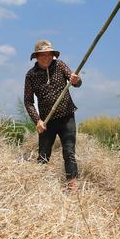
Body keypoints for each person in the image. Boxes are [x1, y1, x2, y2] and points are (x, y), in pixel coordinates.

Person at [24, 40, 82, 191]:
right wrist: (37, 121)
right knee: (43, 155)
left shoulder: (60, 65)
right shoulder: (31, 75)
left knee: (69, 152)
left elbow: (75, 81)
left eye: (49, 54)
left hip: (66, 116)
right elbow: (28, 101)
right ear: (36, 56)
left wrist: (76, 80)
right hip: (47, 122)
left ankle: (72, 185)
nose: (47, 57)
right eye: (43, 55)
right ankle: (37, 186)